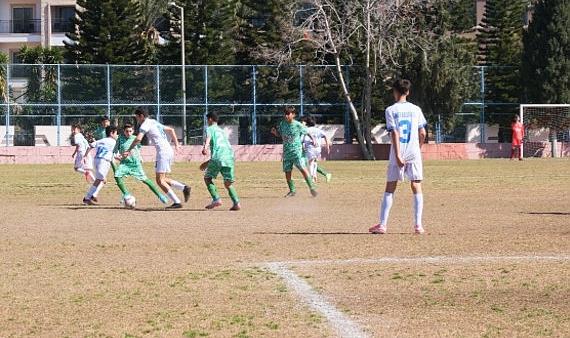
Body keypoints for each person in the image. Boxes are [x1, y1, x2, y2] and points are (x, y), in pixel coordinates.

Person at [369, 79, 427, 235]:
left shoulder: (390, 110)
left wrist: (398, 155)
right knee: (416, 185)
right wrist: (417, 149)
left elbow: (394, 132)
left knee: (390, 187)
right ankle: (418, 225)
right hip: (413, 152)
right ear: (407, 92)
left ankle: (382, 225)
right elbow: (423, 133)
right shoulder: (416, 109)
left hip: (398, 151)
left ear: (395, 91)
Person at [123, 106, 190, 209]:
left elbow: (138, 139)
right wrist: (176, 144)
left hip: (163, 152)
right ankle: (184, 188)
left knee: (159, 181)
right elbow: (171, 130)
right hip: (168, 150)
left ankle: (177, 202)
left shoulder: (145, 124)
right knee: (162, 178)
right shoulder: (153, 121)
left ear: (141, 116)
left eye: (137, 117)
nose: (137, 120)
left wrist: (128, 150)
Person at [113, 123, 168, 205]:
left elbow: (137, 148)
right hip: (125, 163)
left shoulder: (135, 138)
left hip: (135, 164)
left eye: (130, 131)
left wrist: (140, 157)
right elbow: (114, 152)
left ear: (133, 131)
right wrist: (118, 157)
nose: (128, 133)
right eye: (127, 131)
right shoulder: (120, 139)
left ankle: (160, 195)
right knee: (117, 175)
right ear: (123, 131)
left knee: (145, 180)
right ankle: (126, 193)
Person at [270, 106, 318, 197]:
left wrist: (313, 140)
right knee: (287, 172)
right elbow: (280, 135)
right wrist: (275, 133)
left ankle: (312, 188)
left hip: (297, 152)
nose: (286, 116)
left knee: (303, 169)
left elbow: (307, 131)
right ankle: (292, 190)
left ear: (293, 115)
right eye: (285, 114)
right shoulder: (282, 124)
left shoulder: (297, 125)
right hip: (287, 153)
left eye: (288, 114)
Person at [199, 112, 241, 211]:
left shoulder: (210, 129)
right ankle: (236, 203)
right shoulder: (221, 131)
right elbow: (222, 148)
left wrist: (205, 148)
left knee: (207, 178)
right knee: (228, 183)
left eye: (207, 120)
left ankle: (216, 199)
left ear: (210, 119)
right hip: (229, 157)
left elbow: (208, 138)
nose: (206, 122)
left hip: (218, 157)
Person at [82, 126, 119, 205]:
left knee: (101, 180)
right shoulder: (114, 142)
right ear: (112, 133)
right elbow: (116, 155)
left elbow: (90, 146)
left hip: (97, 160)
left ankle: (93, 196)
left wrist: (85, 156)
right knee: (100, 180)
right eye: (116, 133)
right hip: (103, 161)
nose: (117, 135)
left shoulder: (102, 140)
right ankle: (87, 197)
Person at [301, 116, 332, 184]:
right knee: (314, 162)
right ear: (314, 123)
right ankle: (314, 177)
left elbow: (301, 140)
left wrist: (301, 146)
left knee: (310, 162)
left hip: (310, 148)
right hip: (318, 149)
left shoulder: (306, 130)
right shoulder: (318, 130)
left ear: (307, 123)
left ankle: (311, 177)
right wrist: (327, 145)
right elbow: (325, 136)